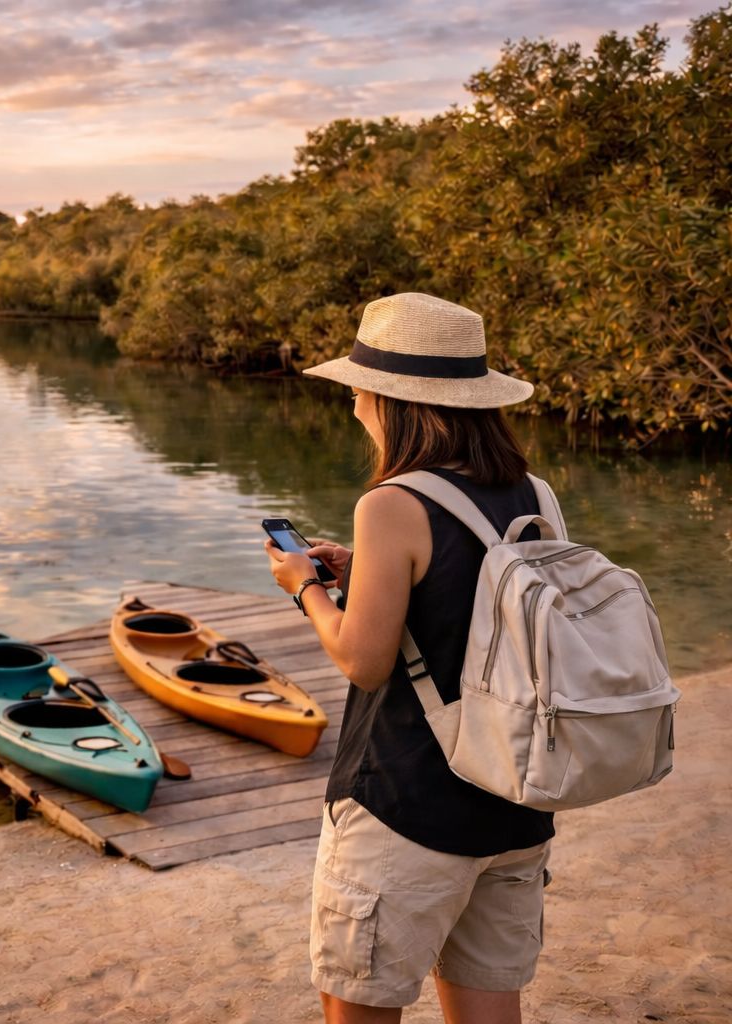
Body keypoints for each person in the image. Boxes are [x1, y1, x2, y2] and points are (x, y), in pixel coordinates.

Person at [265, 293, 554, 1024]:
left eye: (359, 388)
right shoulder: (534, 494)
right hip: (513, 802)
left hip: (405, 805)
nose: (355, 401)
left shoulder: (391, 501)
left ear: (391, 400)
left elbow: (363, 662)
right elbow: (487, 598)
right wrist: (367, 567)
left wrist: (307, 589)